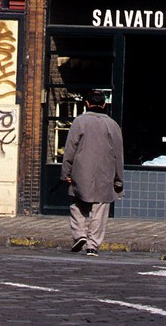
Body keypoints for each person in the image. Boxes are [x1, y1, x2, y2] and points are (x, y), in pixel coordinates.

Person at [61, 88, 125, 255]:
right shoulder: (112, 125)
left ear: (87, 104)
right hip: (105, 173)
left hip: (81, 171)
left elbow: (70, 149)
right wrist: (119, 179)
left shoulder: (79, 122)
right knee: (100, 209)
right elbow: (119, 155)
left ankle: (80, 234)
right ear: (104, 104)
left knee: (77, 204)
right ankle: (92, 245)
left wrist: (66, 172)